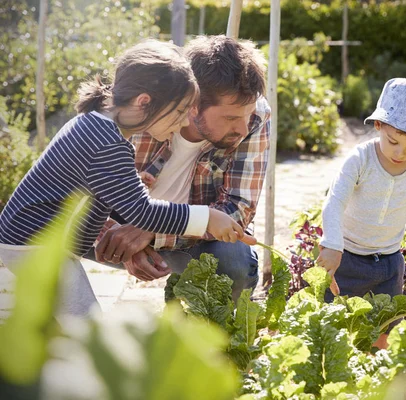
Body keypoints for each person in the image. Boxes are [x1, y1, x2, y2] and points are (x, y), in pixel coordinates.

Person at [0, 39, 254, 317]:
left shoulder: (96, 124)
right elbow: (143, 213)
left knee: (59, 329)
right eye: (180, 111)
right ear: (144, 102)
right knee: (84, 332)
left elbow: (92, 184)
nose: (183, 122)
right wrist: (207, 217)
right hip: (36, 247)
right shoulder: (108, 143)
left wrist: (130, 181)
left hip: (32, 241)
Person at [93, 35, 270, 301]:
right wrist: (127, 247)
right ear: (193, 105)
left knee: (235, 262)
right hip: (118, 231)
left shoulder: (255, 117)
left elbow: (237, 210)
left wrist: (151, 229)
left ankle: (187, 319)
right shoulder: (135, 113)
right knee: (52, 232)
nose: (243, 128)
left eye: (246, 114)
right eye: (231, 118)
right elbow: (78, 199)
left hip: (191, 237)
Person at [316, 78, 406, 344]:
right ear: (379, 125)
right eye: (393, 141)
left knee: (383, 330)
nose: (401, 152)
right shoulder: (360, 159)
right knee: (335, 327)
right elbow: (334, 201)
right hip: (346, 258)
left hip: (389, 264)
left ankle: (376, 378)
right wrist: (332, 244)